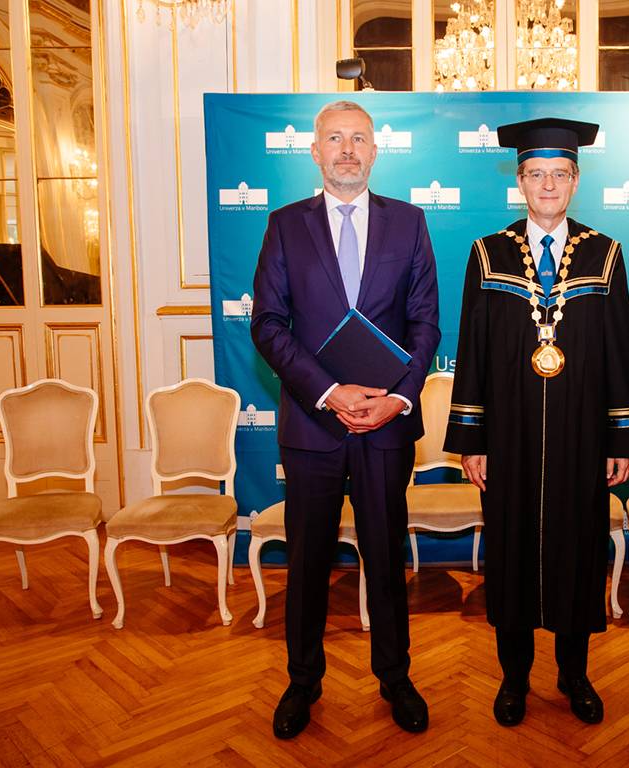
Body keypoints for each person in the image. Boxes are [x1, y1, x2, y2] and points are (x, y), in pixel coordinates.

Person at [444, 117, 629, 728]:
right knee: (510, 555)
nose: (548, 185)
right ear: (520, 181)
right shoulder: (487, 253)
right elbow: (472, 350)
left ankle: (574, 674)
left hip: (580, 439)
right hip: (508, 441)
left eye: (560, 174)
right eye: (536, 174)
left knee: (577, 554)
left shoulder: (604, 253)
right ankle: (514, 678)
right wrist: (473, 440)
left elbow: (620, 350)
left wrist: (621, 439)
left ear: (576, 180)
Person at [251, 100, 440, 739]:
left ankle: (396, 677)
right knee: (308, 562)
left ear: (375, 151)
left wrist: (397, 400)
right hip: (314, 427)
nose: (348, 149)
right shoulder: (285, 226)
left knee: (386, 557)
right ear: (315, 151)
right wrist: (329, 392)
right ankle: (302, 682)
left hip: (386, 425)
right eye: (335, 138)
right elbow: (267, 325)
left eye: (359, 138)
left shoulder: (409, 223)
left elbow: (424, 323)